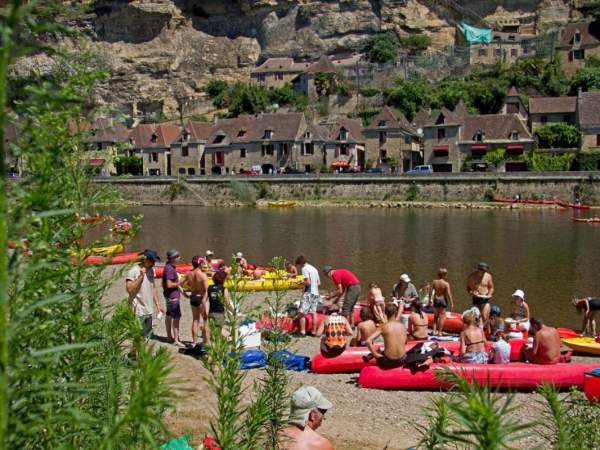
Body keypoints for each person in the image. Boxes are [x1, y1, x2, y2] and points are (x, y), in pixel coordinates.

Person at [125, 249, 164, 339]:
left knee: (148, 337)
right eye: (152, 261)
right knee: (137, 337)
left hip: (148, 309)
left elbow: (153, 288)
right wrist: (141, 277)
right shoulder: (133, 271)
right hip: (138, 310)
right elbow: (130, 290)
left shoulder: (151, 270)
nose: (154, 263)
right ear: (145, 260)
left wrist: (158, 305)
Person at [279, 386, 334, 450]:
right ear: (313, 415)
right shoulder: (321, 444)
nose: (323, 416)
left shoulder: (276, 435)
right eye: (323, 411)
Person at [365, 302, 408, 368]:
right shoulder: (402, 326)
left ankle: (371, 358)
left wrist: (375, 354)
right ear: (396, 312)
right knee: (382, 350)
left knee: (379, 352)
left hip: (389, 362)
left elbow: (368, 341)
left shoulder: (383, 327)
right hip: (402, 360)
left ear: (385, 313)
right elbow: (405, 342)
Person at [184, 255, 209, 346]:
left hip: (193, 297)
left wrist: (184, 294)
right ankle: (206, 341)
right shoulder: (202, 275)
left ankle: (194, 342)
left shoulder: (188, 274)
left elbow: (179, 284)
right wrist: (204, 300)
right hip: (201, 297)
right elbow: (207, 290)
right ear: (200, 263)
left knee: (195, 320)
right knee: (205, 320)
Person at [163, 249, 184, 346]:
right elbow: (169, 284)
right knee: (176, 317)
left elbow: (173, 282)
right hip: (172, 297)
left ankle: (169, 336)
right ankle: (176, 339)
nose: (179, 258)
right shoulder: (170, 269)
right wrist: (181, 281)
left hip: (169, 296)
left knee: (169, 315)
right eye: (178, 256)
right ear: (173, 258)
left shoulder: (169, 266)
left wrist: (183, 292)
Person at [295, 255, 321, 336]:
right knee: (313, 312)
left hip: (309, 293)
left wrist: (299, 283)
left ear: (300, 263)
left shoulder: (304, 269)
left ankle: (302, 332)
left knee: (301, 313)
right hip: (316, 293)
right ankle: (313, 331)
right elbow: (319, 283)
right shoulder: (314, 268)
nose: (299, 267)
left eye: (298, 265)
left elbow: (308, 282)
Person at [466, 262, 494, 334]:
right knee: (477, 316)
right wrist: (472, 292)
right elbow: (468, 288)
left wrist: (490, 294)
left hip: (485, 297)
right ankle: (479, 332)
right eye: (482, 270)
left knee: (485, 315)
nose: (483, 272)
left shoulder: (488, 276)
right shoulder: (472, 276)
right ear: (478, 269)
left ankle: (489, 332)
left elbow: (491, 287)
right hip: (476, 297)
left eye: (485, 271)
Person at [206, 270, 231, 343]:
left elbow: (204, 300)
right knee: (218, 331)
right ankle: (217, 348)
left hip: (211, 312)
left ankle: (213, 346)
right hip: (219, 313)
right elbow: (227, 302)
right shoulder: (224, 289)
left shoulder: (209, 288)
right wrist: (233, 311)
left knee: (212, 331)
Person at [431, 268, 454, 336]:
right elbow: (449, 294)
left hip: (436, 299)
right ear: (445, 275)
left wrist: (430, 299)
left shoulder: (434, 282)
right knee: (441, 317)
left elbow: (430, 292)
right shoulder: (446, 284)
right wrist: (452, 303)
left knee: (435, 317)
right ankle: (440, 332)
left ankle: (433, 331)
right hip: (443, 300)